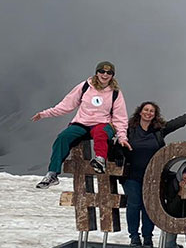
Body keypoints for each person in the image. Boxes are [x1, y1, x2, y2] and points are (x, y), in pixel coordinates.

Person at [122, 100, 186, 247]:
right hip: (132, 176)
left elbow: (179, 122)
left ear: (155, 115)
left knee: (149, 207)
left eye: (151, 111)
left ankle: (147, 237)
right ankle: (134, 237)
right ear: (140, 112)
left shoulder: (159, 130)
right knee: (134, 204)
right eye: (146, 110)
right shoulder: (128, 130)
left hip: (153, 178)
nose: (148, 113)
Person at [33, 61, 131, 189]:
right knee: (63, 137)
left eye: (109, 72)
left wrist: (122, 137)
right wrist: (44, 114)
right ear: (96, 73)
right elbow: (66, 105)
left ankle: (100, 160)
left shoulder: (115, 93)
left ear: (112, 75)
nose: (105, 75)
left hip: (103, 123)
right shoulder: (85, 86)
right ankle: (52, 174)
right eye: (102, 71)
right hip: (82, 123)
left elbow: (120, 117)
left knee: (100, 133)